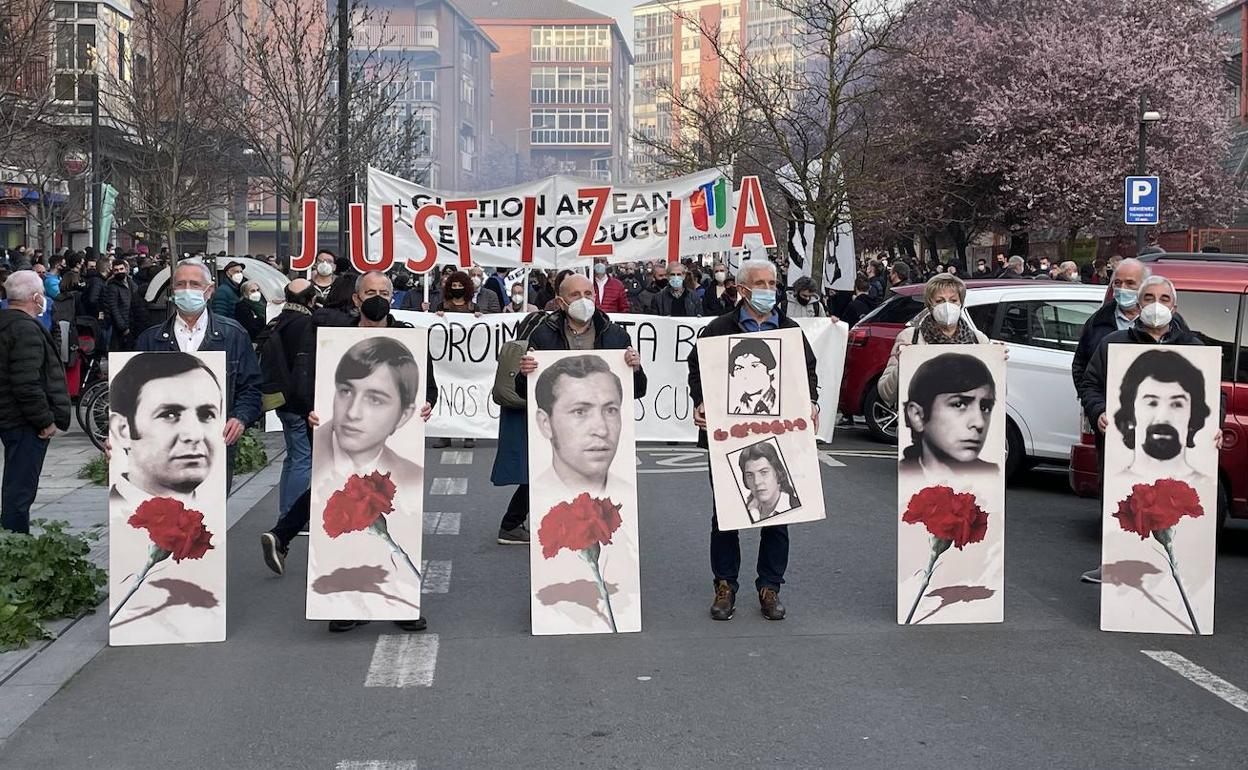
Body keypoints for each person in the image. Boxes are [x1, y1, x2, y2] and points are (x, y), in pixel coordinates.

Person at [261, 271, 436, 635]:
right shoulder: (331, 340)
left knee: (394, 514)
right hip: (340, 437)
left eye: (384, 292)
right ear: (356, 299)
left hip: (392, 442)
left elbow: (428, 387)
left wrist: (427, 404)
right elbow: (311, 383)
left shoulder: (409, 338)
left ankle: (400, 602)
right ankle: (344, 602)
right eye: (370, 292)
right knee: (341, 508)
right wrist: (311, 409)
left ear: (393, 297)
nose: (377, 297)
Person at [687, 258, 819, 622]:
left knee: (778, 514)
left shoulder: (790, 330)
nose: (767, 290)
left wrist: (812, 401)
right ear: (742, 289)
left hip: (780, 438)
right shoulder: (717, 330)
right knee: (726, 515)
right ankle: (725, 586)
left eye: (772, 283)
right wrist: (700, 400)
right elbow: (696, 369)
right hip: (729, 437)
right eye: (759, 283)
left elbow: (808, 372)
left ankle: (770, 588)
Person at [1076, 275, 1224, 583]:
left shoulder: (1193, 346)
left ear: (1175, 306)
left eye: (1164, 299)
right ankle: (1114, 566)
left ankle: (1172, 574)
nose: (1156, 305)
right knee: (1122, 502)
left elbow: (1213, 394)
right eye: (1148, 298)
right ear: (1138, 305)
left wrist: (1216, 426)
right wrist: (1099, 410)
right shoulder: (1113, 343)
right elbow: (1091, 383)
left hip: (1176, 453)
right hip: (1123, 447)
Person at [496, 274, 645, 544]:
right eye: (576, 295)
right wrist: (524, 373)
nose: (584, 301)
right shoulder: (543, 334)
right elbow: (524, 391)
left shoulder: (615, 335)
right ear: (561, 302)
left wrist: (634, 368)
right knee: (554, 474)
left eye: (588, 294)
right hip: (564, 423)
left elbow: (638, 389)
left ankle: (599, 532)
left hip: (595, 423)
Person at [134, 260, 262, 493]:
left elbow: (251, 387)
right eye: (181, 284)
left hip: (215, 445)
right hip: (162, 449)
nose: (187, 290)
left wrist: (240, 418)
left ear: (209, 290)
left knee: (208, 522)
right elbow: (132, 397)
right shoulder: (150, 340)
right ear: (173, 292)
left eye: (194, 284)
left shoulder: (233, 335)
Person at [0, 271, 70, 534]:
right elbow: (26, 382)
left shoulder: (8, 323)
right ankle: (15, 550)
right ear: (36, 297)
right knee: (20, 490)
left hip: (10, 415)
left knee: (15, 488)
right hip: (23, 420)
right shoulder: (25, 329)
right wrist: (45, 420)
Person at [108, 352, 223, 507]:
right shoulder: (120, 516)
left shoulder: (211, 516)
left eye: (206, 415)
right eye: (169, 415)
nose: (194, 434)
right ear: (123, 430)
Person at [877, 274, 990, 406]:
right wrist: (902, 364)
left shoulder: (979, 340)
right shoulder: (910, 338)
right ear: (930, 304)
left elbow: (995, 392)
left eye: (953, 300)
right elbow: (885, 393)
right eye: (939, 301)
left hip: (963, 424)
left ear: (961, 303)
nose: (947, 306)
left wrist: (996, 362)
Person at [532, 354, 628, 499]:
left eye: (610, 410)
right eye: (580, 412)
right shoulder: (537, 497)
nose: (602, 430)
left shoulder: (628, 496)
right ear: (545, 423)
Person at [261, 279, 318, 522]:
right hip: (298, 401)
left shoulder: (278, 321)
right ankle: (293, 516)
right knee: (303, 458)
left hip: (279, 399)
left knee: (294, 456)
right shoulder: (306, 324)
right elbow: (304, 367)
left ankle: (286, 511)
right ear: (311, 299)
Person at [1111, 349, 1213, 485]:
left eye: (1177, 404)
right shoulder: (1115, 485)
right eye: (1152, 403)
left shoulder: (1205, 486)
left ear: (1193, 416)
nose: (1163, 417)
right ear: (1130, 412)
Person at [898, 352, 999, 480]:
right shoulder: (905, 478)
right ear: (917, 415)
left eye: (985, 408)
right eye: (959, 404)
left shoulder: (994, 477)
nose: (979, 423)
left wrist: (1000, 359)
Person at [1071, 258, 1149, 392]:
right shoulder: (1097, 321)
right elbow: (1080, 365)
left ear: (1145, 286)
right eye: (1117, 283)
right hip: (1105, 407)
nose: (1123, 288)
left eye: (1130, 283)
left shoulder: (1162, 322)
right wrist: (1092, 403)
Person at [737, 442, 800, 523]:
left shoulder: (795, 506)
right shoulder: (746, 511)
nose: (756, 482)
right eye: (750, 475)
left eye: (764, 472)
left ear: (778, 473)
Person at [728, 337, 779, 415]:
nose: (746, 374)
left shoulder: (783, 402)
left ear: (769, 370)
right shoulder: (734, 407)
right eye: (739, 368)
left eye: (754, 366)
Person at [101, 257, 136, 351]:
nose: (119, 271)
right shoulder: (112, 286)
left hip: (132, 323)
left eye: (121, 269)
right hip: (121, 327)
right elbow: (114, 308)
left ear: (126, 269)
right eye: (116, 270)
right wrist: (123, 327)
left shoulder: (131, 282)